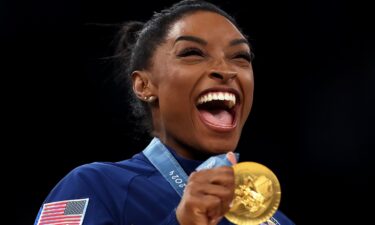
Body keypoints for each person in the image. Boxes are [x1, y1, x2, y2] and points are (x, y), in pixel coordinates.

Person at [34, 0, 295, 224]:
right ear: (144, 85)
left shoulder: (270, 218)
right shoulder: (93, 186)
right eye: (193, 53)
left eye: (241, 57)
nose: (226, 70)